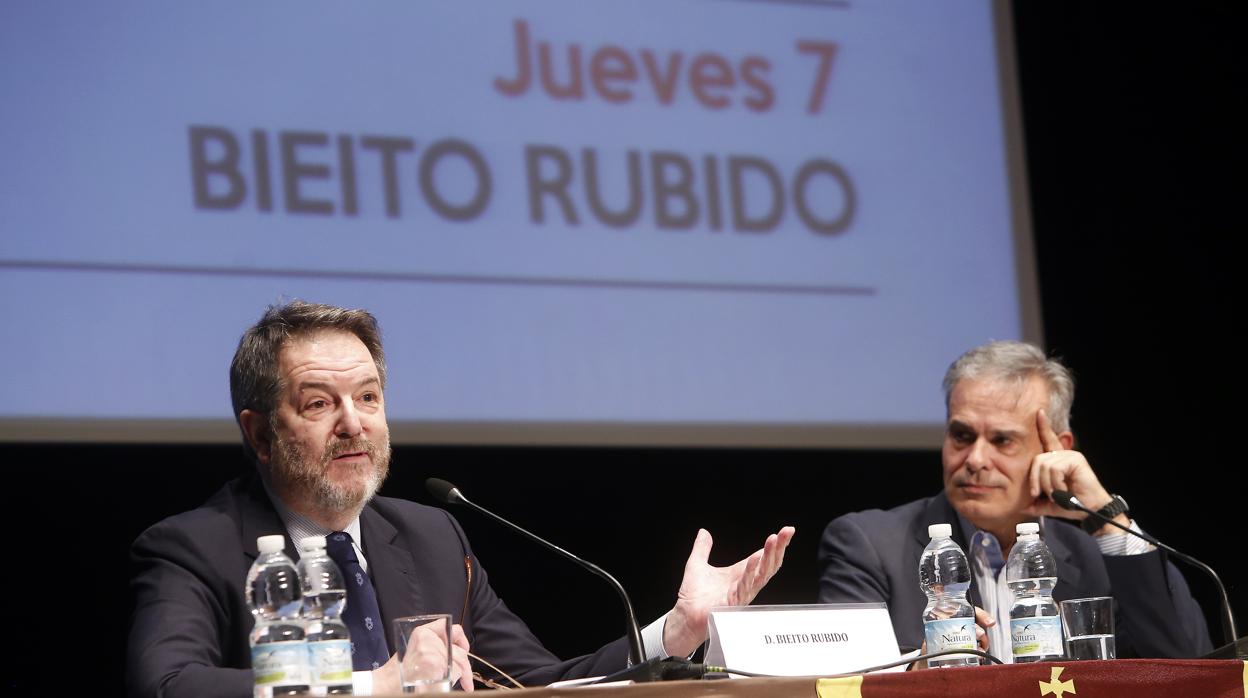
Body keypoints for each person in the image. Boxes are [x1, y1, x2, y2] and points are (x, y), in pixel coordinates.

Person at [127, 301, 794, 697]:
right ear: (260, 433)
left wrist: (677, 633)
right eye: (319, 404)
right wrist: (371, 688)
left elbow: (539, 687)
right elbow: (167, 685)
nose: (354, 423)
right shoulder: (195, 547)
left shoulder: (431, 537)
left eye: (368, 398)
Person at [817, 340, 1211, 661]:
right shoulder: (869, 546)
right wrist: (918, 669)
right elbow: (837, 684)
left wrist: (1108, 521)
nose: (974, 460)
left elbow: (1189, 661)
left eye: (1002, 440)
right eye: (962, 436)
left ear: (1056, 448)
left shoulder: (1095, 558)